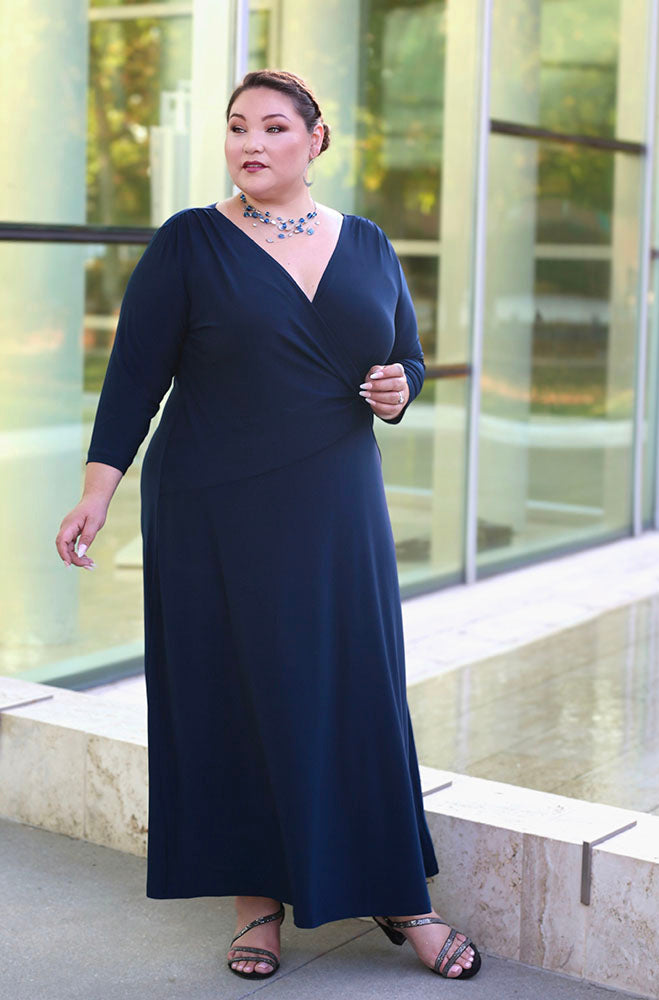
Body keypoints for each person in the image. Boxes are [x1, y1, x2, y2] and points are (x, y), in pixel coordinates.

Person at [55, 68, 481, 984]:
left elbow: (403, 356)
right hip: (213, 504)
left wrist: (400, 388)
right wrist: (98, 491)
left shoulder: (368, 244)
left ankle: (400, 894)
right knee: (234, 691)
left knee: (357, 687)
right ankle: (257, 907)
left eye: (275, 127)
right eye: (238, 126)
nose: (253, 143)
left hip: (336, 504)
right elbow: (135, 377)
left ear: (316, 141)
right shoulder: (188, 244)